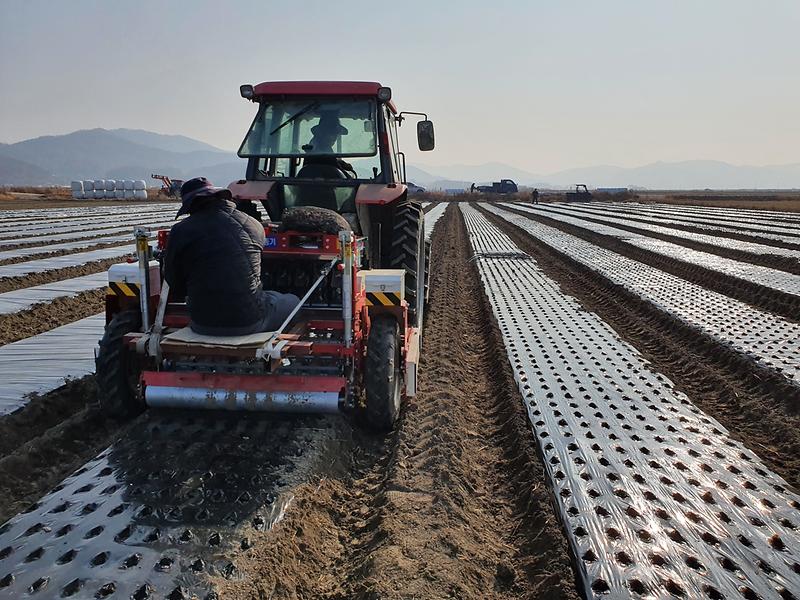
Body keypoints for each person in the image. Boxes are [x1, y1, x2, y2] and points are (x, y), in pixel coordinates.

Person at [164, 177, 299, 336]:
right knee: (293, 301)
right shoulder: (254, 225)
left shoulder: (180, 230)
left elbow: (174, 283)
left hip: (202, 323)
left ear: (191, 206)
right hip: (250, 321)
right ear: (220, 197)